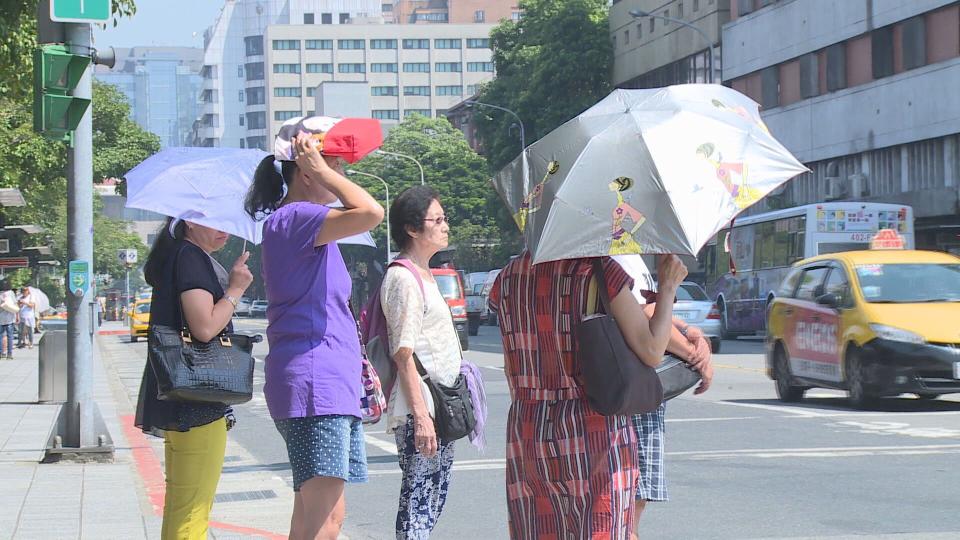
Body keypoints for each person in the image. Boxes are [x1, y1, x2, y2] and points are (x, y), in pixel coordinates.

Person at [489, 251, 688, 539]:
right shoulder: (597, 271)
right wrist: (667, 289)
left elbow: (511, 367)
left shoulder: (508, 277)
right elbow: (652, 349)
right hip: (592, 431)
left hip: (529, 429)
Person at [245, 134, 384, 540]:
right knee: (325, 520)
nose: (341, 175)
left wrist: (323, 171)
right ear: (306, 171)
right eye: (334, 167)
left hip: (321, 384)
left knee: (315, 515)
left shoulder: (305, 224)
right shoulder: (297, 217)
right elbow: (371, 211)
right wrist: (322, 169)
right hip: (315, 385)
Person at [134, 217, 254, 540]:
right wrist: (235, 289)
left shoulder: (179, 254)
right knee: (192, 517)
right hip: (198, 407)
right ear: (189, 220)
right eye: (214, 220)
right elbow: (204, 326)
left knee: (181, 509)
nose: (223, 229)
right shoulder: (190, 258)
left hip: (182, 401)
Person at [380, 186, 464, 538]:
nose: (445, 226)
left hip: (440, 404)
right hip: (424, 408)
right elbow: (403, 352)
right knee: (418, 502)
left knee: (432, 500)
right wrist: (421, 417)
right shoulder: (404, 277)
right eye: (437, 219)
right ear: (413, 229)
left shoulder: (426, 273)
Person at [612, 256, 713, 539]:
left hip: (634, 392)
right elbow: (641, 315)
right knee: (628, 513)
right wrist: (696, 356)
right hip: (634, 394)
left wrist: (689, 332)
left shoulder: (626, 254)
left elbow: (649, 311)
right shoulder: (617, 257)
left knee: (628, 511)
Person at [0, 280, 17, 359]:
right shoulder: (11, 293)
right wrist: (17, 315)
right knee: (10, 336)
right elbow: (15, 304)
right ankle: (9, 354)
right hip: (10, 318)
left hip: (1, 319)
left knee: (0, 336)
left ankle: (1, 353)